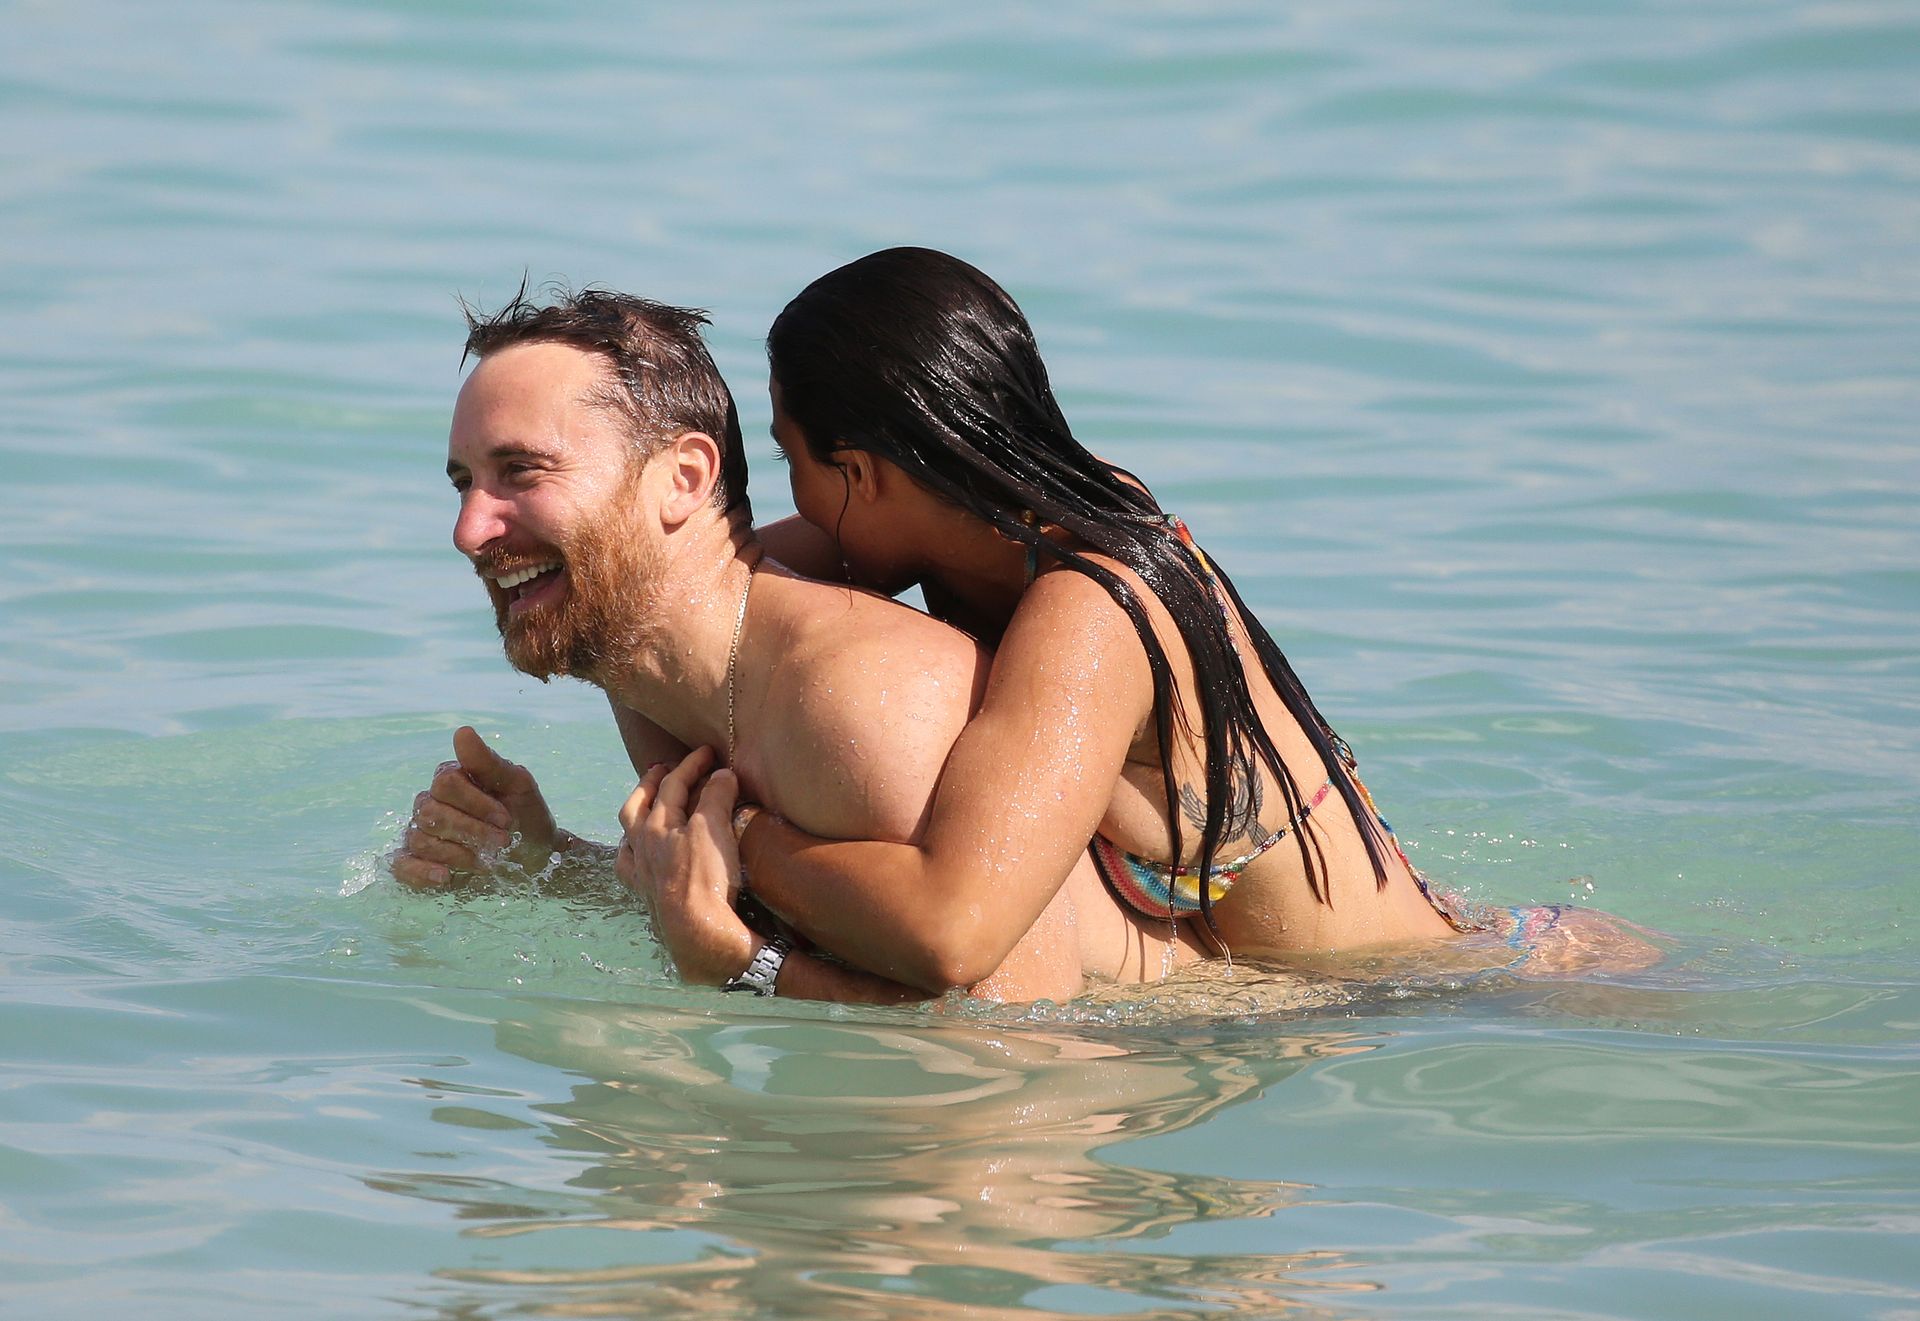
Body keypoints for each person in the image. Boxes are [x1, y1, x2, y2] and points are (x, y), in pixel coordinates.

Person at [633, 248, 1478, 995]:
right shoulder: (1005, 512)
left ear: (864, 474)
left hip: (1418, 995)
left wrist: (736, 835)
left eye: (791, 459)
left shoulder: (1094, 608)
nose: (797, 502)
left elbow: (955, 929)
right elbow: (708, 588)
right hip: (1364, 992)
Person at [390, 285, 1206, 1002]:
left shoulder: (867, 698)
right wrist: (544, 864)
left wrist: (747, 969)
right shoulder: (649, 674)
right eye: (465, 482)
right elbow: (763, 911)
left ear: (683, 478)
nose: (468, 531)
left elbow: (1028, 1042)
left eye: (522, 471)